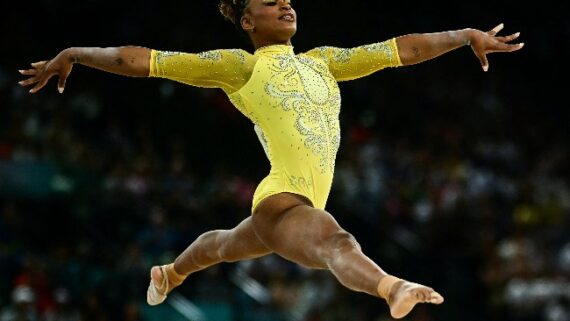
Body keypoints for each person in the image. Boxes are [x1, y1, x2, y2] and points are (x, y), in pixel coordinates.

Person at [18, 0, 524, 318]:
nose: (285, 4)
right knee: (335, 240)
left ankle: (169, 274)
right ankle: (392, 287)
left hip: (279, 206)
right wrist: (78, 53)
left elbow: (402, 49)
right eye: (269, 1)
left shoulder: (325, 61)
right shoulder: (240, 68)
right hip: (287, 200)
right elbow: (147, 61)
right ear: (246, 19)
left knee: (222, 247)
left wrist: (461, 37)